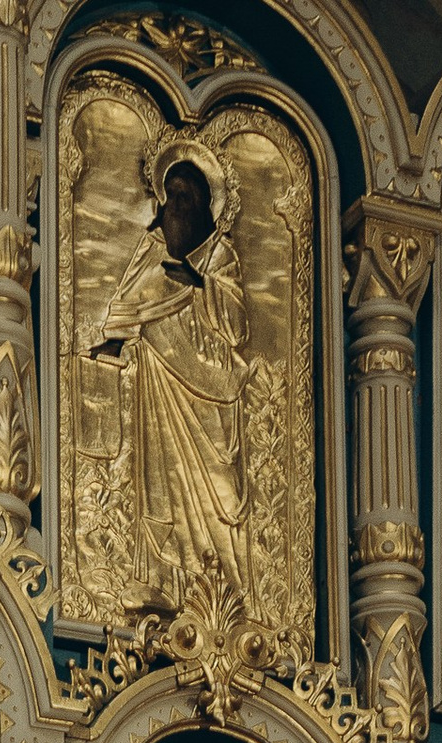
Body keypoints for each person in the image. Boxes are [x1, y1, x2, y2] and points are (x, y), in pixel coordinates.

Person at [88, 150, 250, 615]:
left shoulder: (220, 255)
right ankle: (161, 584)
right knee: (156, 482)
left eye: (186, 197)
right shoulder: (150, 252)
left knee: (216, 494)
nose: (175, 206)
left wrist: (198, 281)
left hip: (208, 394)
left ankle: (223, 593)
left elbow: (237, 326)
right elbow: (125, 306)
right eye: (170, 195)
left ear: (205, 206)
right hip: (156, 389)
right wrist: (116, 344)